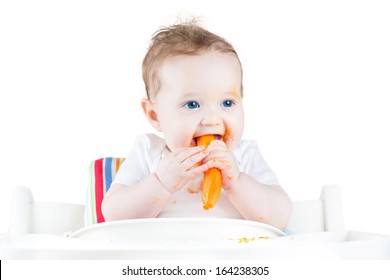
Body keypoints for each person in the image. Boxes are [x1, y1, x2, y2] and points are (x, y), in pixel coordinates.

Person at [102, 20, 292, 230]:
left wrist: (237, 182)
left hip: (233, 258)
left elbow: (281, 216)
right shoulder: (148, 152)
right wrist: (160, 182)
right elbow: (113, 216)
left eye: (227, 103)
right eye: (192, 104)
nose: (212, 119)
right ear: (155, 115)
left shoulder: (244, 156)